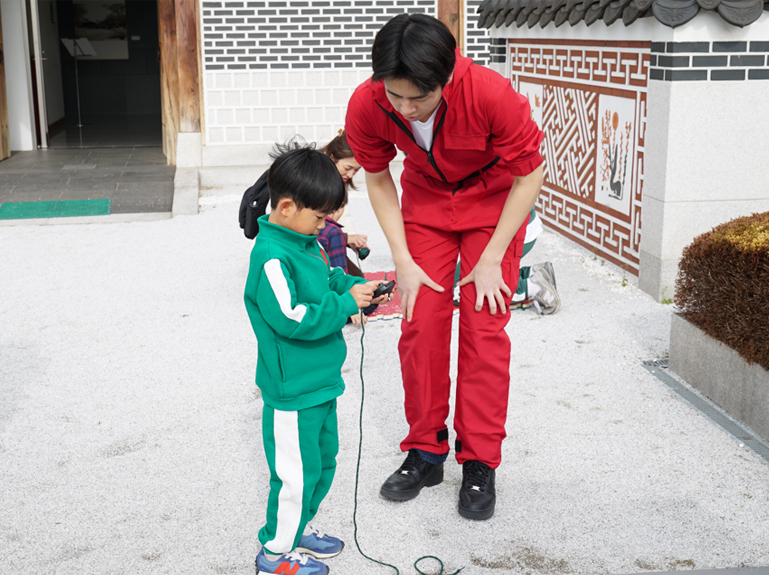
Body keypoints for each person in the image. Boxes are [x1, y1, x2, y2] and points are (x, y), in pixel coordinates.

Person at [345, 13, 544, 520]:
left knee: (484, 331)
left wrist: (493, 258)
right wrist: (403, 261)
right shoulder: (368, 103)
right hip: (427, 207)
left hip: (493, 211)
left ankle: (479, 461)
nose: (407, 109)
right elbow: (379, 177)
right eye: (396, 96)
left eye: (420, 97)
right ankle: (426, 451)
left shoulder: (493, 95)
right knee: (420, 325)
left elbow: (530, 175)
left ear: (449, 75)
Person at [243, 140, 386, 575]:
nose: (326, 224)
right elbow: (293, 318)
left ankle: (297, 525)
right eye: (320, 216)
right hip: (293, 391)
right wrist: (344, 307)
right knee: (294, 475)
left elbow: (329, 279)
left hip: (320, 381)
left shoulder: (307, 243)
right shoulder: (271, 257)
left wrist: (354, 292)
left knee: (323, 461)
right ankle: (274, 553)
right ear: (286, 207)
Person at [453, 207, 561, 315]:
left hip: (510, 235)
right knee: (457, 280)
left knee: (461, 290)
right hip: (518, 227)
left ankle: (532, 287)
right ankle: (531, 273)